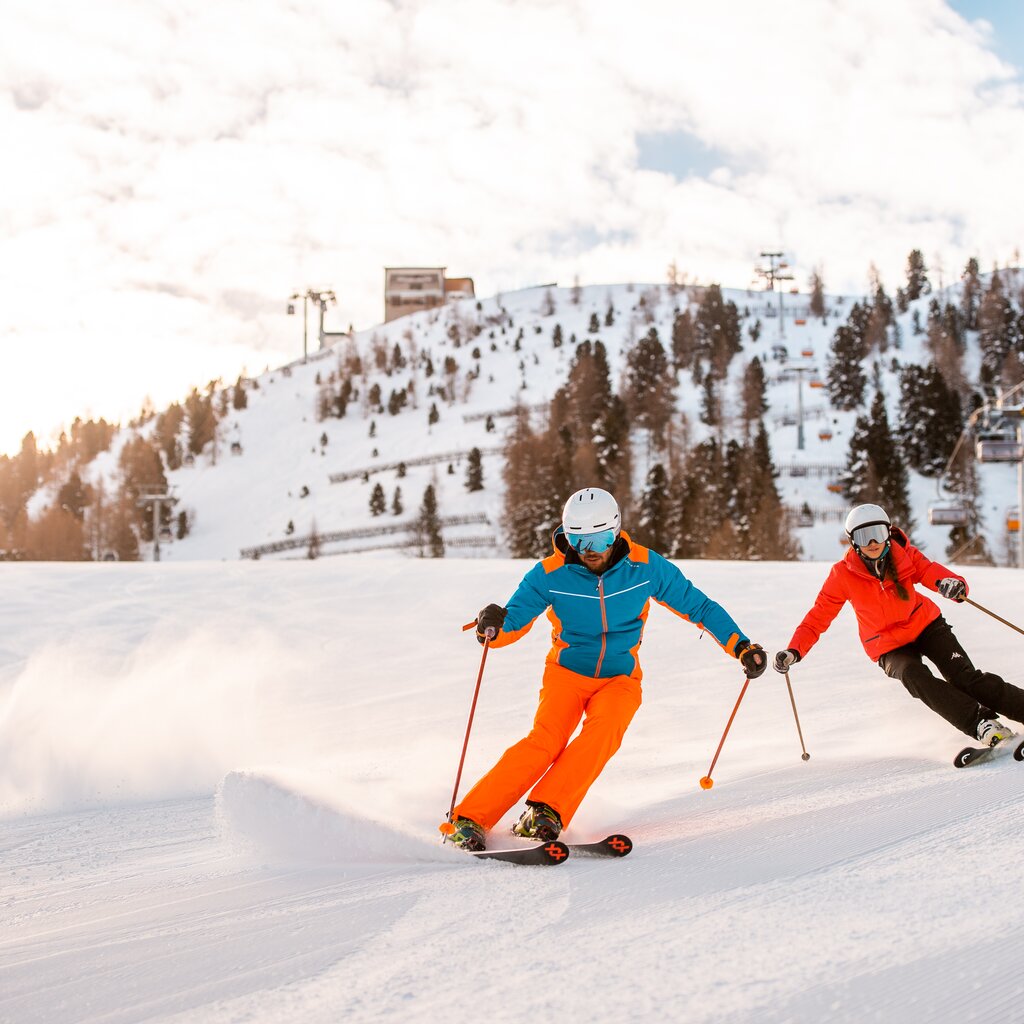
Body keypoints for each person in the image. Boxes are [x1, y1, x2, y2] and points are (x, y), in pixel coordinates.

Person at [441, 486, 767, 851]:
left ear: (616, 531)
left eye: (601, 538)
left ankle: (544, 811)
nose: (591, 551)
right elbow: (514, 620)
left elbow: (699, 607)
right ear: (566, 537)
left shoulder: (645, 567)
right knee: (545, 741)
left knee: (603, 732)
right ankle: (468, 819)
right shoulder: (549, 574)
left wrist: (740, 645)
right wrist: (494, 628)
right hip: (566, 673)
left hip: (620, 677)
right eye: (579, 541)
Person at [774, 502, 1024, 748]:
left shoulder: (903, 555)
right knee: (914, 676)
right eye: (864, 537)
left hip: (926, 625)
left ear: (888, 533)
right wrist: (794, 650)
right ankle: (981, 723)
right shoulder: (843, 575)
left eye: (878, 534)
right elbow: (819, 615)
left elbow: (930, 572)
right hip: (887, 645)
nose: (872, 543)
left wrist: (951, 584)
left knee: (964, 677)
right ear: (853, 541)